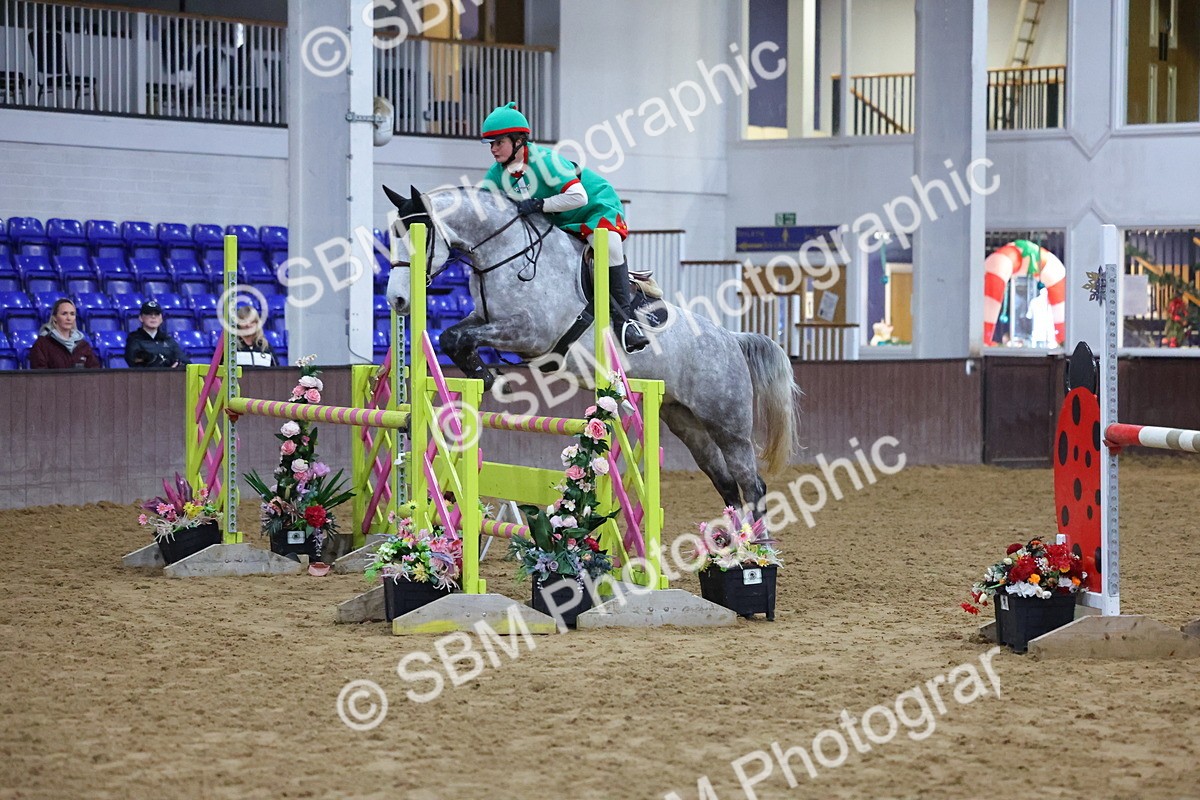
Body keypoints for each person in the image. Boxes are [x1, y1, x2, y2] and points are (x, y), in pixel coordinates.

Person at [479, 101, 649, 354]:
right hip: (559, 218)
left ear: (518, 141)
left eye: (498, 142)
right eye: (490, 144)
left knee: (606, 245)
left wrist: (540, 204)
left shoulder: (546, 160)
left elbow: (578, 197)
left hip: (594, 207)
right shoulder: (496, 174)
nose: (493, 149)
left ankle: (627, 321)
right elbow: (484, 209)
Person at [28, 298, 101, 369]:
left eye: (72, 314)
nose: (69, 318)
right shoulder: (42, 344)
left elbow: (94, 372)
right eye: (64, 314)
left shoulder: (84, 346)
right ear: (54, 318)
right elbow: (39, 375)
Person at [125, 300, 189, 368]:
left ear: (161, 319)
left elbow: (186, 362)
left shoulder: (168, 340)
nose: (153, 317)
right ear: (141, 318)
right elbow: (136, 364)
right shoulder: (134, 340)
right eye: (149, 314)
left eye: (157, 314)